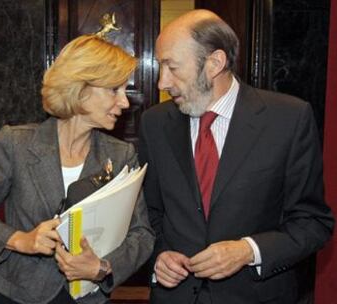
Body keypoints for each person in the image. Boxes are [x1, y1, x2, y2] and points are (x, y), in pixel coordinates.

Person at [138, 9, 335, 304]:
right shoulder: (154, 123)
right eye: (160, 67)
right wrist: (160, 255)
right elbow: (148, 213)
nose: (161, 83)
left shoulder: (288, 119)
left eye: (172, 67)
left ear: (215, 63)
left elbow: (313, 222)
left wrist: (248, 251)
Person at [0, 35, 154, 304]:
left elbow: (141, 235)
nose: (125, 102)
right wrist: (20, 239)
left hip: (87, 298)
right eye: (114, 90)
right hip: (19, 295)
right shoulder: (16, 144)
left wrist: (102, 267)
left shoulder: (120, 155)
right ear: (80, 88)